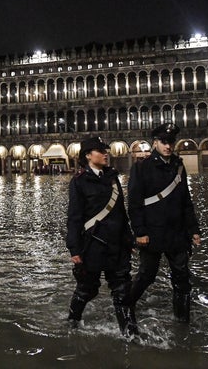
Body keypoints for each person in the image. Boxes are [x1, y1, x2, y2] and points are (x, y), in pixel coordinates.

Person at [127, 123, 202, 323]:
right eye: (164, 142)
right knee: (146, 275)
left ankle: (182, 321)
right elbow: (134, 204)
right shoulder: (141, 167)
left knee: (182, 278)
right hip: (152, 232)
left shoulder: (178, 166)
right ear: (155, 143)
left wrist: (193, 229)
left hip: (177, 233)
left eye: (171, 142)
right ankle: (126, 306)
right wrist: (139, 232)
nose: (168, 146)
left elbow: (186, 200)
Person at [66, 136, 137, 336]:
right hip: (93, 246)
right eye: (100, 151)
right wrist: (74, 249)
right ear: (88, 155)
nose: (106, 153)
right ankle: (72, 322)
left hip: (117, 245)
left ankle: (130, 334)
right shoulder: (79, 182)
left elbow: (121, 212)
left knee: (123, 291)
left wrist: (128, 238)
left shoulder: (113, 179)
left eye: (106, 150)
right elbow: (74, 217)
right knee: (87, 289)